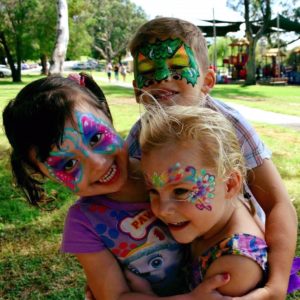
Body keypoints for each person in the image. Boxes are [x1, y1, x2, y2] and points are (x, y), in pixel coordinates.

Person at [2, 73, 231, 300]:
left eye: (95, 138)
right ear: (45, 175)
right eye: (69, 164)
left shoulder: (170, 165)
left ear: (107, 114)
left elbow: (232, 206)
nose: (98, 164)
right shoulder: (84, 224)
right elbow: (116, 296)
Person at [126, 17, 297, 299]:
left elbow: (277, 201)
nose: (161, 77)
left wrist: (276, 286)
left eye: (178, 66)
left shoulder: (231, 123)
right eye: (148, 69)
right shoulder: (138, 137)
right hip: (181, 245)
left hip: (231, 249)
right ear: (137, 89)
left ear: (207, 81)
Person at [139, 104, 268, 296]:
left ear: (230, 185)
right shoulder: (219, 212)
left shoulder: (235, 266)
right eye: (153, 190)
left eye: (181, 191)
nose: (162, 209)